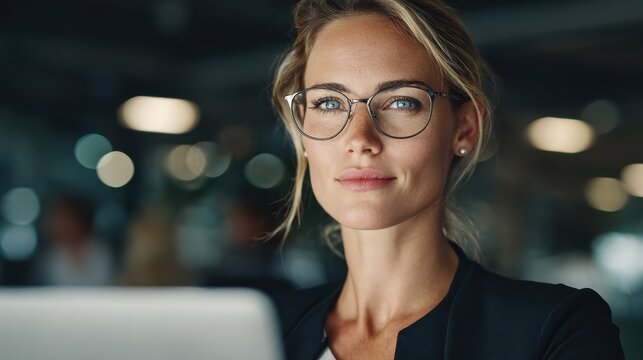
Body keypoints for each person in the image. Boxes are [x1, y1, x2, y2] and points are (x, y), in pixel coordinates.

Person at [269, 1, 625, 359]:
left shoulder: (554, 330)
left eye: (402, 103)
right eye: (329, 104)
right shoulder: (264, 331)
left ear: (464, 128)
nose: (360, 139)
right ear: (303, 131)